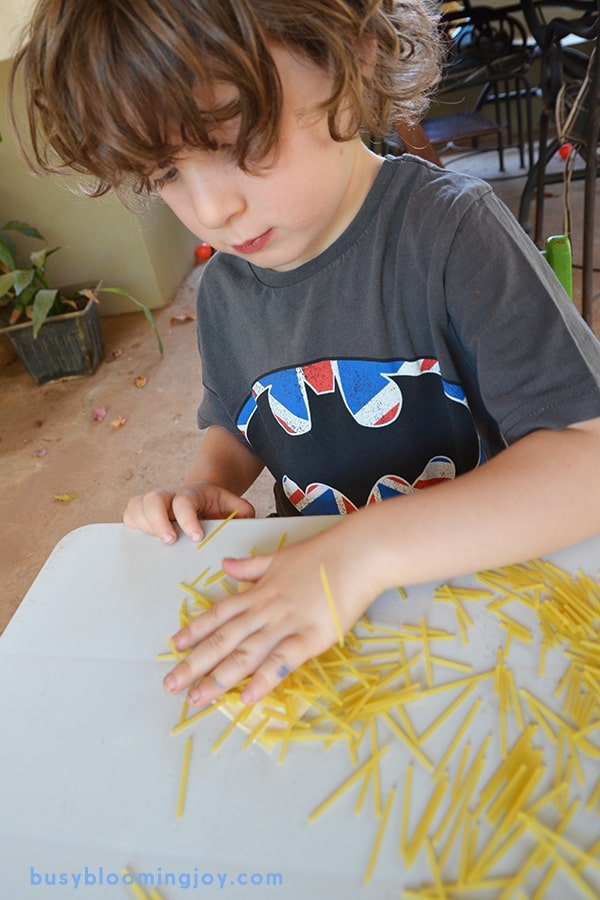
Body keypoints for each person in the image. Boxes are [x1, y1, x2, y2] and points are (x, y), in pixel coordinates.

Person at [11, 0, 600, 712]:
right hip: (320, 616)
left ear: (355, 57)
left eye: (238, 142)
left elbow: (584, 464)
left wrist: (359, 552)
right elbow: (243, 419)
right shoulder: (226, 286)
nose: (211, 210)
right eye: (165, 173)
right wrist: (209, 482)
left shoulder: (450, 232)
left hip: (473, 611)